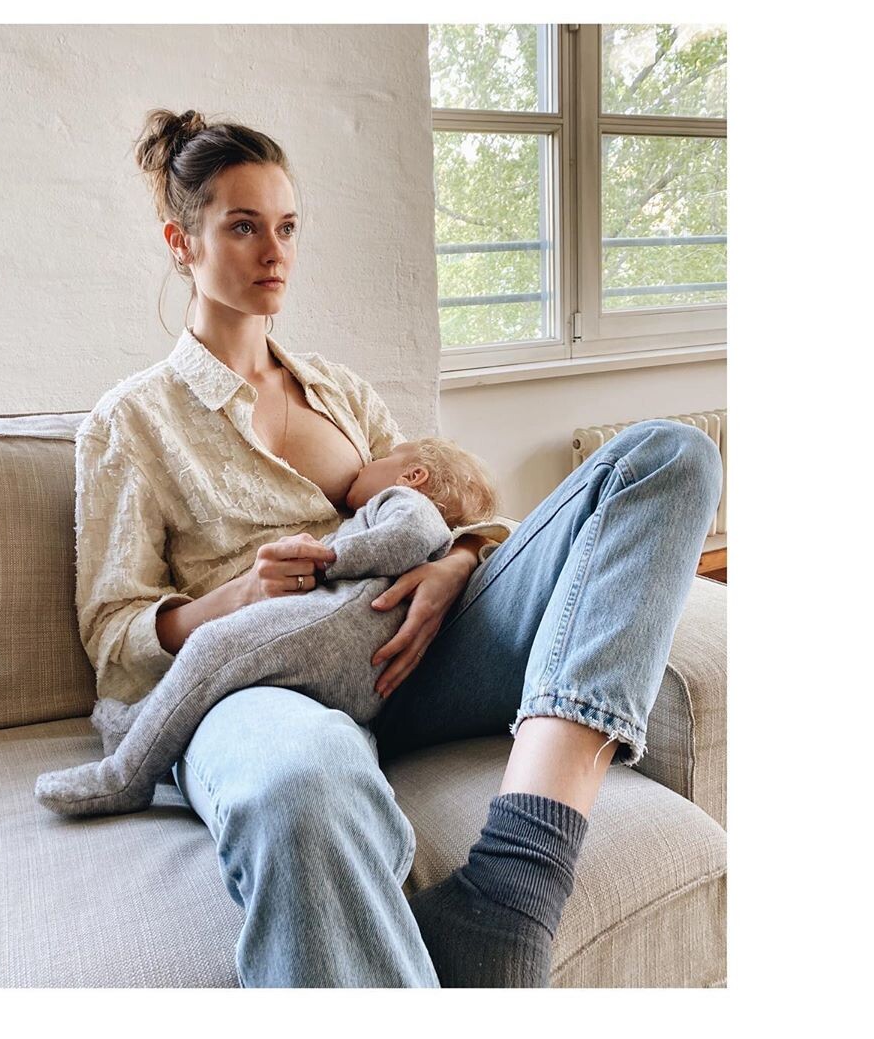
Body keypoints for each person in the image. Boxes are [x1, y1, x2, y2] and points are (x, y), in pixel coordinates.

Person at [74, 108, 723, 988]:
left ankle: (514, 886)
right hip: (263, 688)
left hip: (415, 658)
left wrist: (455, 565)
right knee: (300, 786)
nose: (275, 252)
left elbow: (450, 512)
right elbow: (113, 636)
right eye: (244, 227)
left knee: (670, 456)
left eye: (287, 228)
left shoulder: (340, 390)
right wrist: (239, 596)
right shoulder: (131, 421)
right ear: (181, 242)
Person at [36, 437, 500, 817]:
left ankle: (125, 776)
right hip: (361, 672)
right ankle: (137, 723)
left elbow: (410, 537)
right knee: (222, 669)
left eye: (381, 459)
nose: (364, 464)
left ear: (413, 476)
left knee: (213, 646)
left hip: (335, 629)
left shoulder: (403, 501)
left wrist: (326, 561)